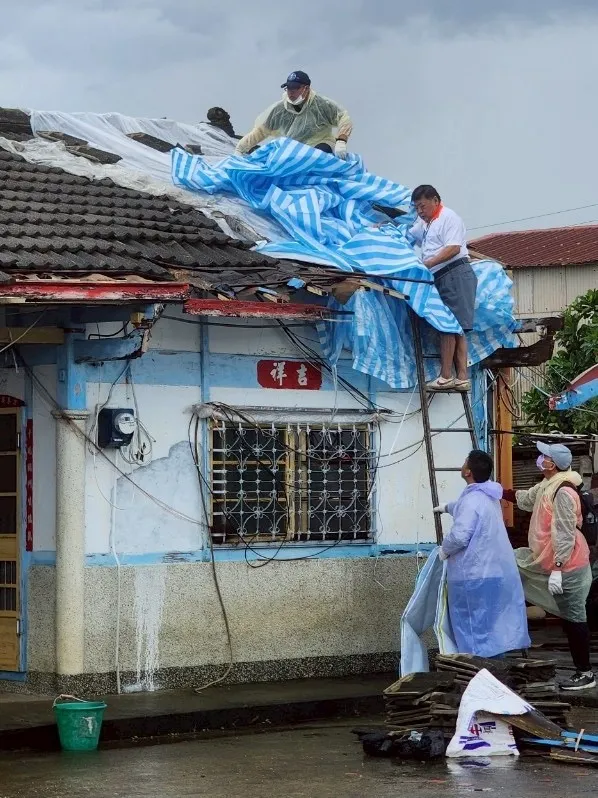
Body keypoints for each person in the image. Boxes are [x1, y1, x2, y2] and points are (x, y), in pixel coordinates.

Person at [503, 442, 594, 690]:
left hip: (570, 565)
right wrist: (499, 492)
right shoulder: (548, 485)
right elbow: (526, 498)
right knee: (514, 560)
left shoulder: (564, 491)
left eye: (544, 456)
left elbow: (565, 534)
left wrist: (557, 567)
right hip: (548, 559)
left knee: (575, 618)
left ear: (552, 463)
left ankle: (585, 673)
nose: (539, 458)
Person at [434, 449, 530, 658]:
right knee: (492, 630)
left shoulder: (472, 500)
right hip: (493, 573)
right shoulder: (488, 496)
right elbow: (465, 507)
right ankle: (497, 674)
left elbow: (460, 536)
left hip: (473, 576)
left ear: (468, 472)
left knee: (474, 630)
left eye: (464, 462)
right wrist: (447, 507)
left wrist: (444, 550)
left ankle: (481, 677)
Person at [409, 185, 477, 392]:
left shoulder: (449, 217)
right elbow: (408, 232)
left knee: (449, 324)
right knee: (456, 327)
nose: (420, 211)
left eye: (422, 206)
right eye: (417, 208)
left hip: (455, 273)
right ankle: (461, 378)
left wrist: (428, 264)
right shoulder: (426, 224)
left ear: (435, 201)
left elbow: (453, 247)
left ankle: (447, 376)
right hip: (442, 275)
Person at [235, 71, 352, 158]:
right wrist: (240, 148)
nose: (291, 92)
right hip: (293, 150)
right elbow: (260, 131)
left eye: (295, 88)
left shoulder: (321, 104)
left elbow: (343, 118)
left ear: (306, 88)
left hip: (320, 144)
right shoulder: (279, 110)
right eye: (288, 88)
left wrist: (341, 141)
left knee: (318, 157)